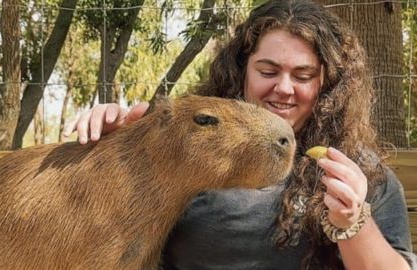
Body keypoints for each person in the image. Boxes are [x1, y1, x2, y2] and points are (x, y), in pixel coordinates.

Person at [64, 1, 416, 269]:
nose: (283, 88)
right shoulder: (183, 148)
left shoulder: (359, 173)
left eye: (303, 75)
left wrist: (353, 222)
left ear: (327, 83)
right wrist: (106, 145)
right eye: (268, 70)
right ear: (242, 69)